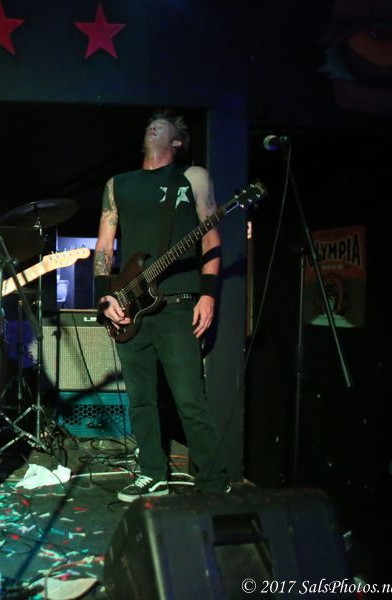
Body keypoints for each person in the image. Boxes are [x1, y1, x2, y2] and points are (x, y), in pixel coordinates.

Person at [94, 112, 229, 502]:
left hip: (177, 304)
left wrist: (208, 294)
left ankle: (213, 482)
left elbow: (210, 239)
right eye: (150, 122)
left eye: (164, 124)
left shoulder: (193, 177)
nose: (154, 124)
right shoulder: (117, 184)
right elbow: (104, 247)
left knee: (189, 399)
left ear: (178, 142)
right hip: (129, 305)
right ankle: (153, 473)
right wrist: (105, 296)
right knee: (140, 399)